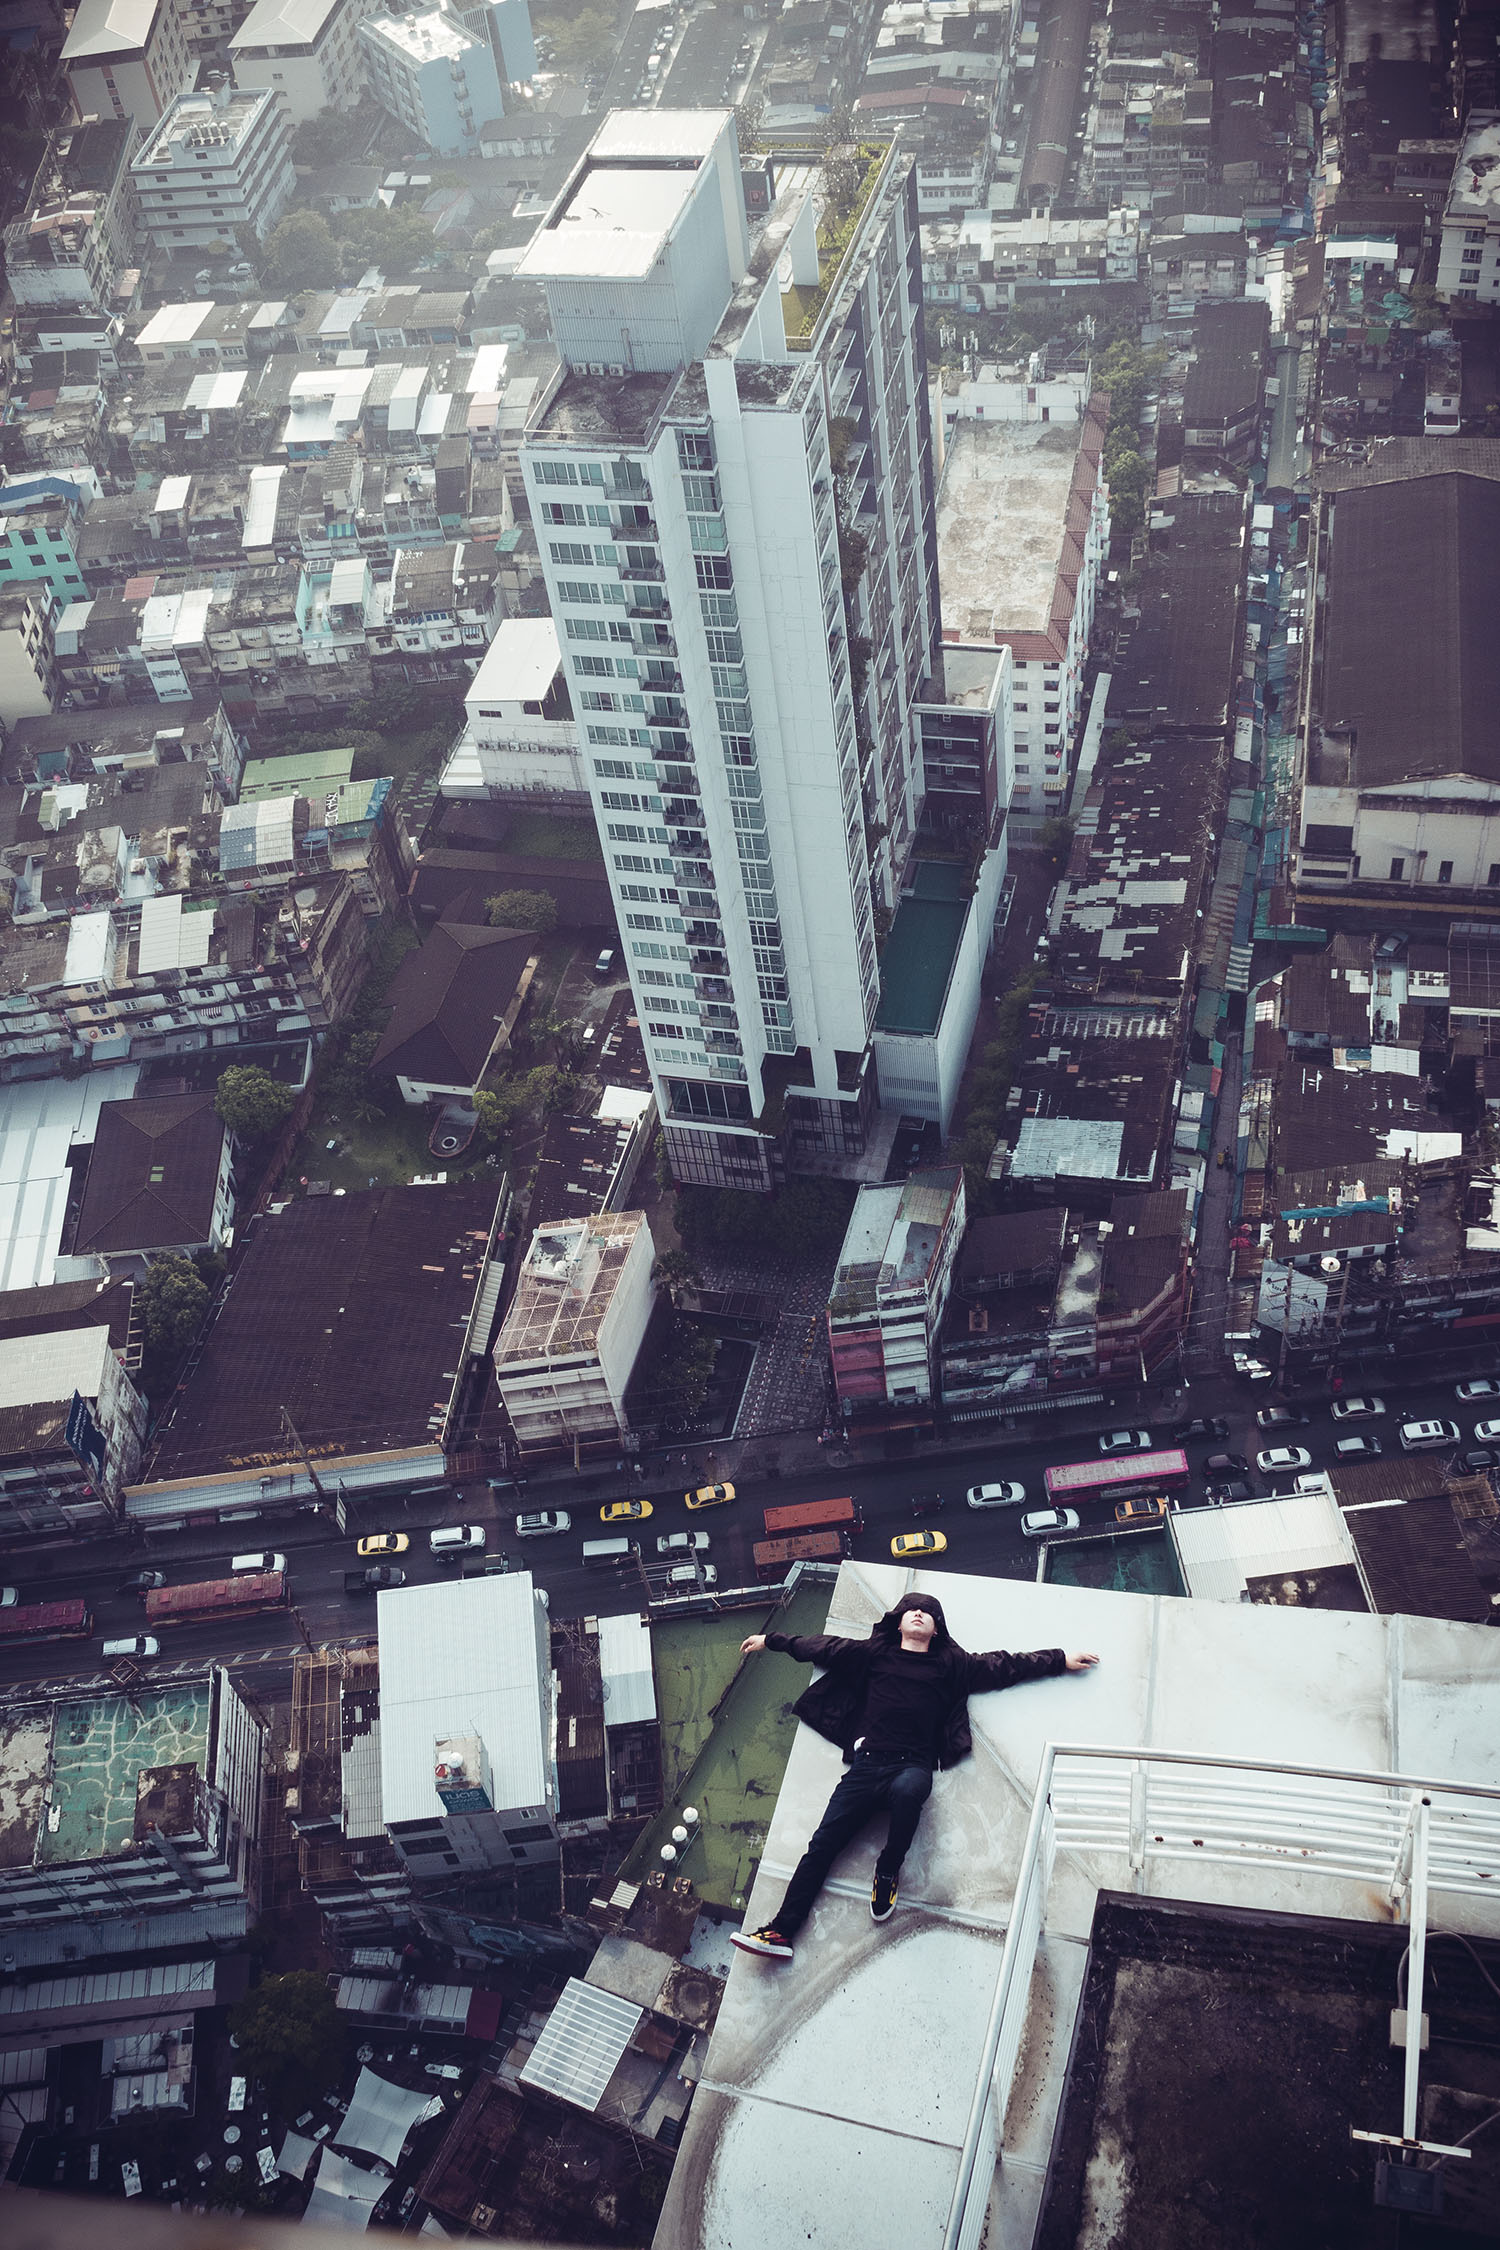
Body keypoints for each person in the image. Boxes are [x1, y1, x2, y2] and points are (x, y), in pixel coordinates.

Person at [730, 1593, 1099, 1960]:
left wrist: (1060, 1660)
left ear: (936, 1629)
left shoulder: (952, 1665)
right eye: (911, 1610)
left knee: (910, 1791)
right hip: (867, 1765)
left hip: (912, 1766)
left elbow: (1005, 1666)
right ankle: (780, 1931)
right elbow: (823, 1647)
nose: (919, 1613)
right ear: (899, 1621)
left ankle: (888, 1871)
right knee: (821, 1845)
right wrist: (771, 1640)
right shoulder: (874, 1654)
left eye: (927, 1612)